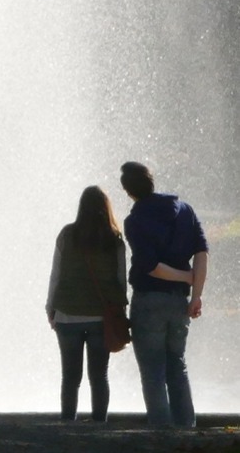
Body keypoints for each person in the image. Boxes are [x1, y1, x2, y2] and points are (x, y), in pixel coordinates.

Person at [119, 161, 208, 428]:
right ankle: (186, 428)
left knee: (153, 372)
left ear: (128, 191)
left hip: (148, 301)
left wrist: (186, 278)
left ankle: (162, 433)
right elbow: (202, 253)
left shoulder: (134, 221)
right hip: (179, 301)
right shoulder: (184, 211)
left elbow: (152, 267)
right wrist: (195, 293)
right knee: (177, 367)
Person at [45, 186, 127, 422]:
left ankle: (67, 423)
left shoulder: (66, 235)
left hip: (67, 316)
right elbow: (121, 282)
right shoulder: (115, 241)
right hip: (101, 319)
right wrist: (120, 312)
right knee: (99, 376)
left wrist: (50, 308)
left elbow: (56, 275)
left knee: (70, 377)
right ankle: (99, 423)